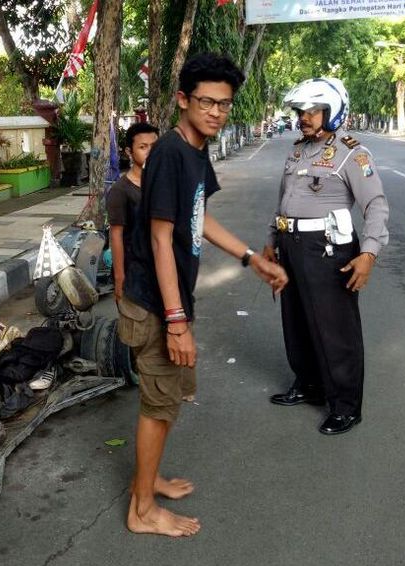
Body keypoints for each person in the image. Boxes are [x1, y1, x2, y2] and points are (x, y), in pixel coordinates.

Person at [119, 53, 287, 537]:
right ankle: (143, 509)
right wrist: (176, 321)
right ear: (183, 100)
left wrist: (250, 257)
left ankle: (146, 481)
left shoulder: (195, 151)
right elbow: (158, 237)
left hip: (169, 302)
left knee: (167, 400)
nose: (216, 112)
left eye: (225, 104)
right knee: (157, 406)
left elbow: (200, 218)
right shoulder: (171, 153)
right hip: (156, 302)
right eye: (206, 102)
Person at [262, 77, 389, 435]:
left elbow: (376, 206)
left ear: (332, 112)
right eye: (301, 112)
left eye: (313, 111)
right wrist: (272, 241)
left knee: (335, 330)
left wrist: (369, 253)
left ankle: (346, 405)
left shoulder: (352, 153)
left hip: (328, 250)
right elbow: (282, 201)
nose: (304, 118)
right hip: (291, 246)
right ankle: (309, 384)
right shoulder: (298, 150)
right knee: (297, 321)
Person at [108, 122, 159, 302]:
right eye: (143, 147)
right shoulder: (120, 191)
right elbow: (116, 236)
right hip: (133, 276)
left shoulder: (162, 185)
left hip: (159, 272)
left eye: (154, 147)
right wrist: (120, 278)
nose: (149, 152)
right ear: (129, 152)